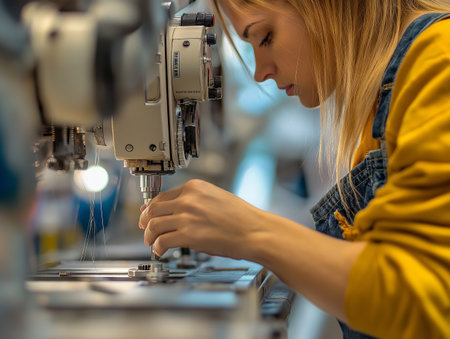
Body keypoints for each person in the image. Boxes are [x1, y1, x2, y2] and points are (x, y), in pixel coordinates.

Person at [139, 1, 450, 338]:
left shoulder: (438, 63)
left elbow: (418, 296)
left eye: (265, 37)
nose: (261, 72)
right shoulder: (384, 100)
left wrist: (251, 232)